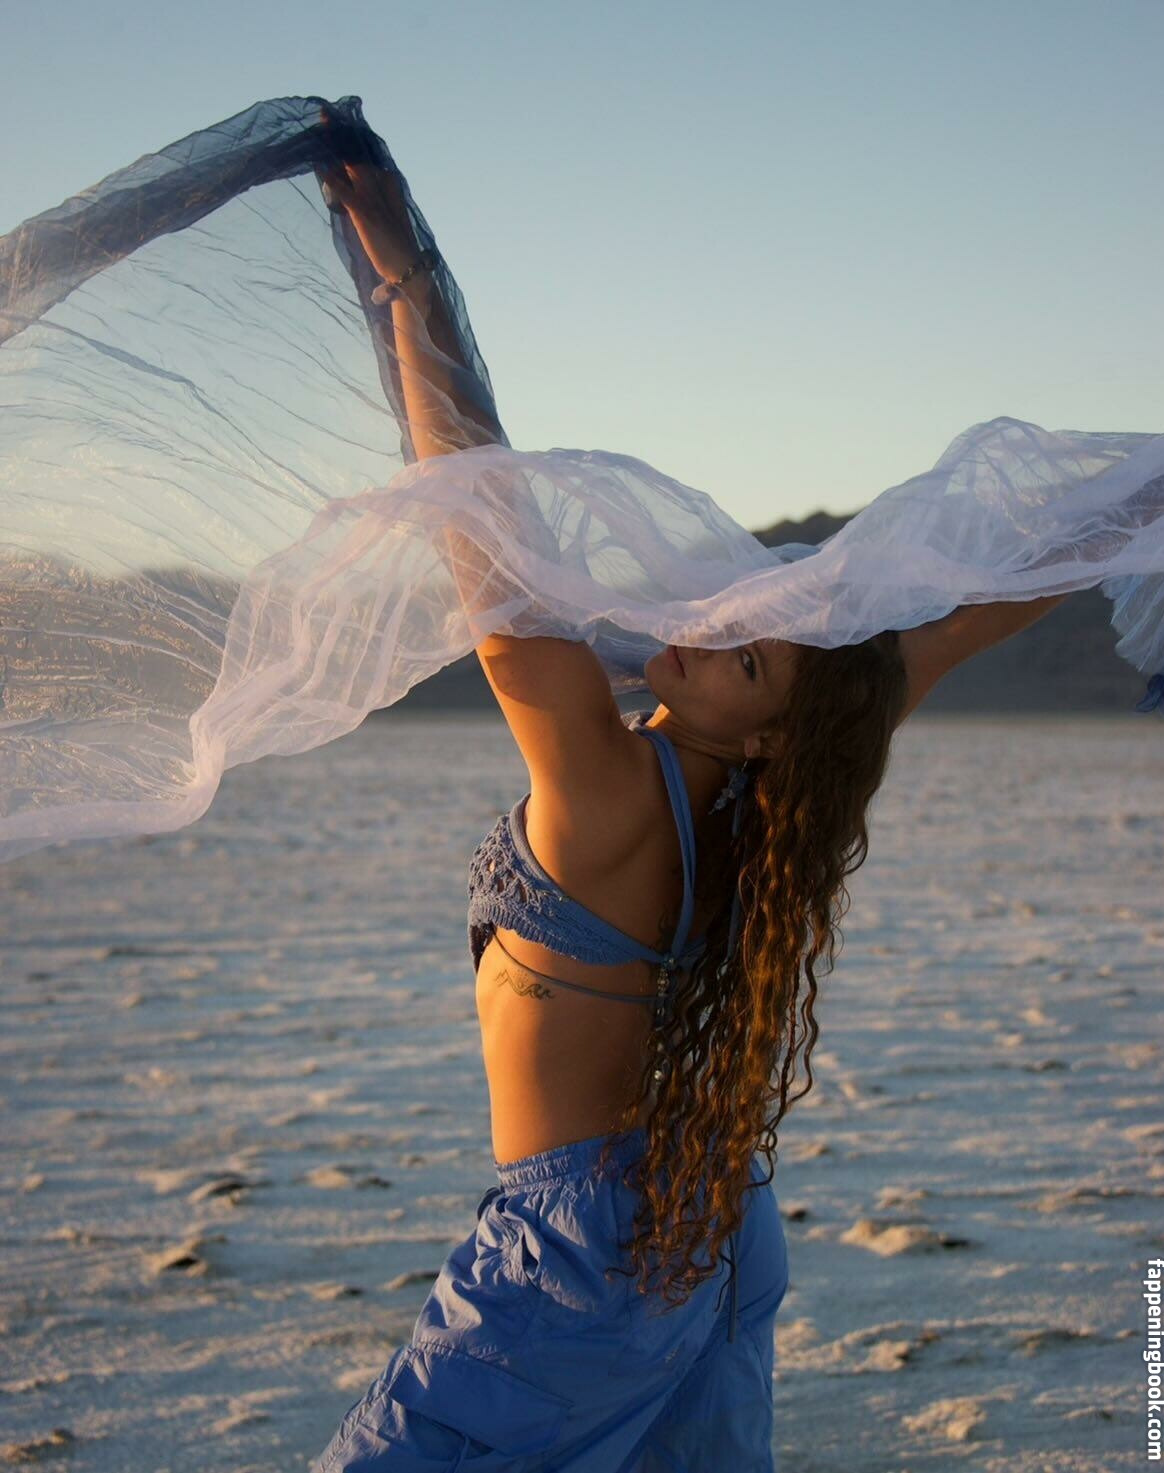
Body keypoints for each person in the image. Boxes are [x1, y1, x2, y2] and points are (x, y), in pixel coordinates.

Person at [309, 153, 1071, 1473]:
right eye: (741, 619)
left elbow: (489, 540)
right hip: (709, 1234)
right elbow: (977, 617)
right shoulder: (795, 769)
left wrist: (406, 279)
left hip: (578, 1262)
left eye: (749, 658)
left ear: (766, 726)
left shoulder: (611, 788)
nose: (715, 636)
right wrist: (1145, 501)